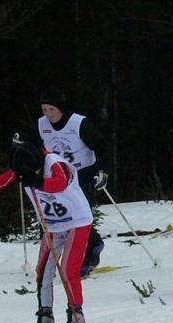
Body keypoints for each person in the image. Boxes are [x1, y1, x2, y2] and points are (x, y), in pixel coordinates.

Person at [0, 136, 93, 323]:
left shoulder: (55, 163)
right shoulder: (21, 167)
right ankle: (45, 319)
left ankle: (77, 318)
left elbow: (60, 183)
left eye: (37, 171)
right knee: (43, 272)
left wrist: (39, 180)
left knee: (68, 269)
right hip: (53, 225)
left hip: (77, 221)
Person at [38, 89, 108, 277]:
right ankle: (50, 260)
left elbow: (101, 145)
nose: (48, 114)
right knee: (56, 217)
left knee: (79, 217)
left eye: (52, 109)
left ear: (61, 108)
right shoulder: (42, 124)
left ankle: (87, 256)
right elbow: (37, 148)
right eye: (44, 109)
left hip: (83, 172)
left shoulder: (78, 123)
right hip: (57, 175)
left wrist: (102, 170)